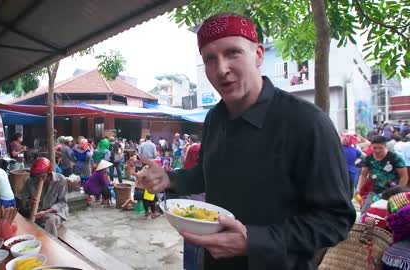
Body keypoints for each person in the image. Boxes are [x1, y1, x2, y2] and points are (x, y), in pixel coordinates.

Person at [136, 13, 355, 270]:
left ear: (259, 54)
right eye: (210, 59)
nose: (221, 69)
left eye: (232, 53)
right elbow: (208, 174)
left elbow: (336, 219)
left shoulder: (307, 123)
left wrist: (254, 240)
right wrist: (170, 179)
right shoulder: (214, 118)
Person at [357, 135, 409, 214]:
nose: (377, 150)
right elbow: (363, 175)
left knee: (390, 214)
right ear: (371, 147)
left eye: (380, 148)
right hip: (374, 191)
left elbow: (404, 177)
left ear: (385, 146)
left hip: (392, 192)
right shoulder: (368, 159)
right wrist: (359, 189)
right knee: (365, 212)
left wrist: (398, 192)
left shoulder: (395, 158)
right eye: (375, 148)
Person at [19, 158, 68, 237]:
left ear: (49, 172)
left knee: (49, 221)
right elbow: (24, 200)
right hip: (37, 211)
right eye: (36, 176)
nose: (39, 179)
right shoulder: (30, 181)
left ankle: (51, 244)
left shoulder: (60, 180)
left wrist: (46, 212)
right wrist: (30, 202)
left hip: (54, 212)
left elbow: (62, 203)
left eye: (41, 176)